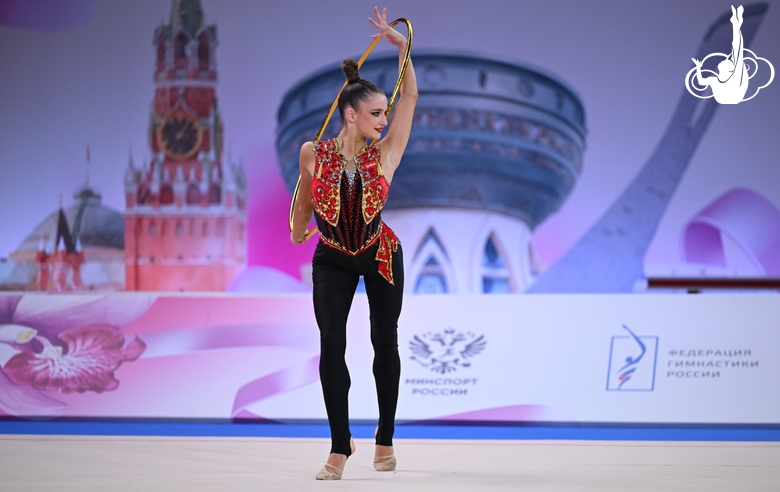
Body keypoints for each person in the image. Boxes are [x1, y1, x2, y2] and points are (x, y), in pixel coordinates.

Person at [290, 7, 417, 481]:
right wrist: (298, 227)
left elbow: (410, 99)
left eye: (385, 112)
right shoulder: (313, 153)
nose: (383, 120)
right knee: (331, 347)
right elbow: (304, 196)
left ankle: (385, 437)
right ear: (350, 114)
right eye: (375, 113)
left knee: (384, 342)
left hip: (380, 252)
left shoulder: (386, 153)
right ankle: (340, 446)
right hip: (333, 256)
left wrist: (403, 50)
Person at [692, 5, 748, 104]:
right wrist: (698, 67)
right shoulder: (715, 80)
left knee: (737, 53)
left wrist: (736, 25)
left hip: (732, 96)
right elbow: (701, 82)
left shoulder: (733, 77)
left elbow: (737, 47)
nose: (723, 61)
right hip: (728, 96)